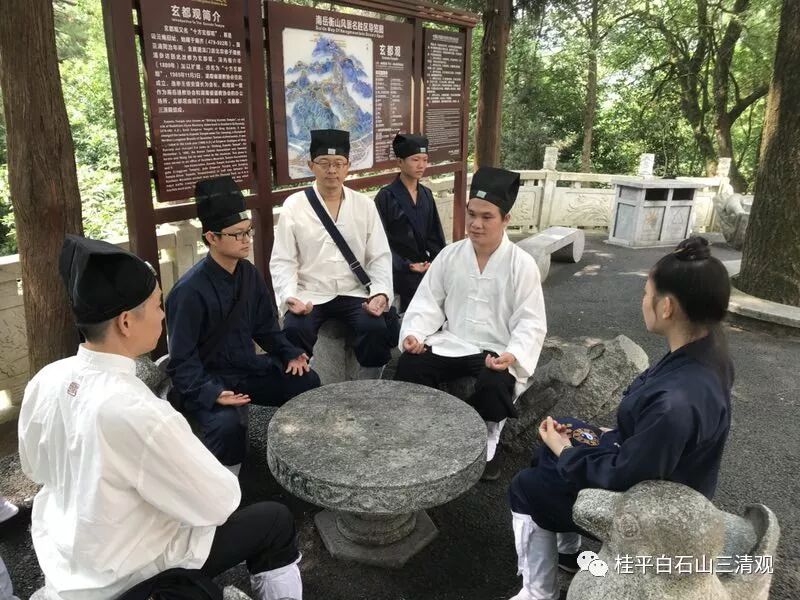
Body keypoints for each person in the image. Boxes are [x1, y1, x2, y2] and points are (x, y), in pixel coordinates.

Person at [18, 235, 302, 600]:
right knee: (274, 521)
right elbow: (220, 501)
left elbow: (34, 468)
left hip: (68, 560)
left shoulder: (47, 379)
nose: (163, 315)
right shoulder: (138, 410)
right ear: (125, 322)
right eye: (156, 305)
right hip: (129, 573)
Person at [507, 236, 733, 600]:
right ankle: (567, 552)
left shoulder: (675, 403)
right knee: (559, 434)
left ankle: (538, 592)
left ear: (667, 307)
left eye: (647, 293)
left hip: (653, 508)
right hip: (657, 467)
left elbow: (627, 476)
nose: (643, 300)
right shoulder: (708, 350)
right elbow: (652, 444)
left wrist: (567, 451)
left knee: (526, 485)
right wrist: (585, 437)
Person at [395, 166, 547, 480]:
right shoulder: (450, 255)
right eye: (472, 214)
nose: (476, 224)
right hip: (452, 341)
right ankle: (423, 432)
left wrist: (513, 354)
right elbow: (428, 302)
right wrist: (414, 333)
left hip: (495, 350)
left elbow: (530, 321)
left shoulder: (522, 265)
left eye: (487, 217)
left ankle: (487, 441)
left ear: (505, 219)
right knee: (410, 365)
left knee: (495, 385)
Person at [166, 176, 320, 473]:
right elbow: (182, 360)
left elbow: (265, 328)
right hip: (207, 379)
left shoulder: (248, 273)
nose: (246, 240)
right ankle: (227, 491)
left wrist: (288, 352)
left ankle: (300, 461)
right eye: (236, 234)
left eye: (248, 231)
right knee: (228, 425)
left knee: (306, 381)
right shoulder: (188, 291)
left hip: (245, 368)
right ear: (211, 237)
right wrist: (212, 393)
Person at [271, 129, 395, 380]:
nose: (332, 170)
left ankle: (371, 387)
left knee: (374, 327)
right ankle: (301, 386)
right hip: (311, 292)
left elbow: (379, 256)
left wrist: (381, 292)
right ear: (311, 166)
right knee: (295, 329)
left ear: (348, 166)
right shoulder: (294, 205)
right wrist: (289, 296)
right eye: (324, 163)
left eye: (339, 163)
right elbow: (283, 259)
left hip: (354, 291)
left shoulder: (364, 205)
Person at [374, 133, 446, 311]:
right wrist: (406, 265)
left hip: (424, 264)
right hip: (398, 268)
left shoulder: (426, 194)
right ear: (400, 162)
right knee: (418, 291)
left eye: (425, 159)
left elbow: (435, 235)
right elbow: (379, 242)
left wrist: (436, 262)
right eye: (415, 159)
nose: (421, 165)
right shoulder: (386, 196)